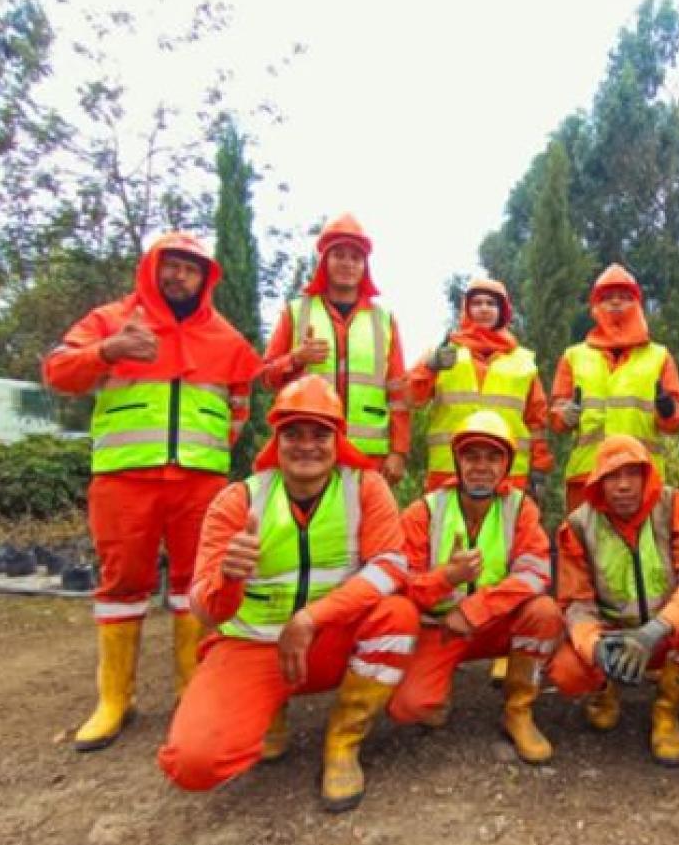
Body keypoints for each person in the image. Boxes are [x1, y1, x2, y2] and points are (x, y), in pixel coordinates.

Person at [157, 376, 418, 812]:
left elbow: (391, 566)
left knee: (398, 616)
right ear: (275, 440)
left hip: (329, 640)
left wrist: (311, 618)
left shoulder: (365, 488)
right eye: (293, 433)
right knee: (193, 764)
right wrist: (229, 578)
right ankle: (267, 712)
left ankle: (342, 744)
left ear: (338, 440)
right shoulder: (237, 501)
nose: (307, 445)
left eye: (320, 434)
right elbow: (204, 610)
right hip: (255, 648)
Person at [43, 232, 261, 752]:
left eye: (191, 269)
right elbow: (57, 371)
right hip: (124, 477)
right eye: (173, 266)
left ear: (205, 279)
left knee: (197, 585)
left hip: (199, 481)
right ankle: (115, 699)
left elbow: (240, 405)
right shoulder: (111, 320)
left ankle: (193, 687)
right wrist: (106, 351)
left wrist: (208, 453)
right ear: (153, 268)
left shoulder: (227, 339)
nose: (180, 276)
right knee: (122, 584)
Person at [389, 411, 561, 762]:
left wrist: (476, 609)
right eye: (471, 456)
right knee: (409, 708)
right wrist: (447, 578)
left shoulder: (520, 508)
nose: (481, 466)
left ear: (507, 464)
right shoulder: (424, 511)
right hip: (441, 629)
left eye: (493, 456)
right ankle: (440, 685)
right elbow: (401, 585)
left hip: (496, 623)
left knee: (544, 613)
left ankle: (518, 710)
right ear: (457, 462)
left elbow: (535, 572)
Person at [546, 434, 679, 766]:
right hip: (613, 635)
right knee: (567, 669)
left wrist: (656, 629)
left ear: (646, 476)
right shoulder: (578, 525)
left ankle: (667, 710)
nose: (623, 485)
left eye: (632, 474)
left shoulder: (673, 506)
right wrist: (596, 646)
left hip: (665, 631)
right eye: (612, 476)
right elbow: (575, 603)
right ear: (598, 482)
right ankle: (604, 691)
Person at [262, 213, 410, 484]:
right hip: (307, 452)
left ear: (365, 266)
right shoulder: (296, 312)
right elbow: (266, 377)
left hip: (367, 455)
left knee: (365, 526)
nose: (347, 263)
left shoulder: (384, 320)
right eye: (339, 255)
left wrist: (398, 452)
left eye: (356, 258)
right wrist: (295, 359)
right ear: (324, 262)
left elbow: (398, 393)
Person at [549, 264, 679, 514]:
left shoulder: (659, 356)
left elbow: (676, 420)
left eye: (623, 297)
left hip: (641, 476)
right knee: (582, 549)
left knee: (644, 549)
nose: (615, 303)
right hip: (587, 475)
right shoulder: (574, 356)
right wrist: (564, 414)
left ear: (636, 304)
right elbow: (556, 416)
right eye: (607, 297)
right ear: (595, 306)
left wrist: (667, 411)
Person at [408, 277, 552, 496]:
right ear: (466, 309)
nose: (484, 309)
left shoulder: (523, 361)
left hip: (508, 473)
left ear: (503, 311)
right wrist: (430, 367)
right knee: (445, 530)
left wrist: (539, 468)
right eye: (477, 303)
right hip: (448, 469)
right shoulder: (442, 353)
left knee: (506, 531)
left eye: (491, 303)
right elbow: (410, 398)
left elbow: (537, 422)